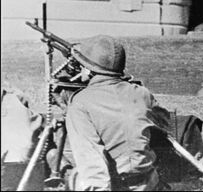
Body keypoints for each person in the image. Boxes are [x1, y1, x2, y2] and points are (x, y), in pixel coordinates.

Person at [65, 35, 171, 190]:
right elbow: (165, 122)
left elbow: (92, 166)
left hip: (113, 185)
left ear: (88, 70)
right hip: (148, 182)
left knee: (74, 177)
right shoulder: (142, 93)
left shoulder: (80, 103)